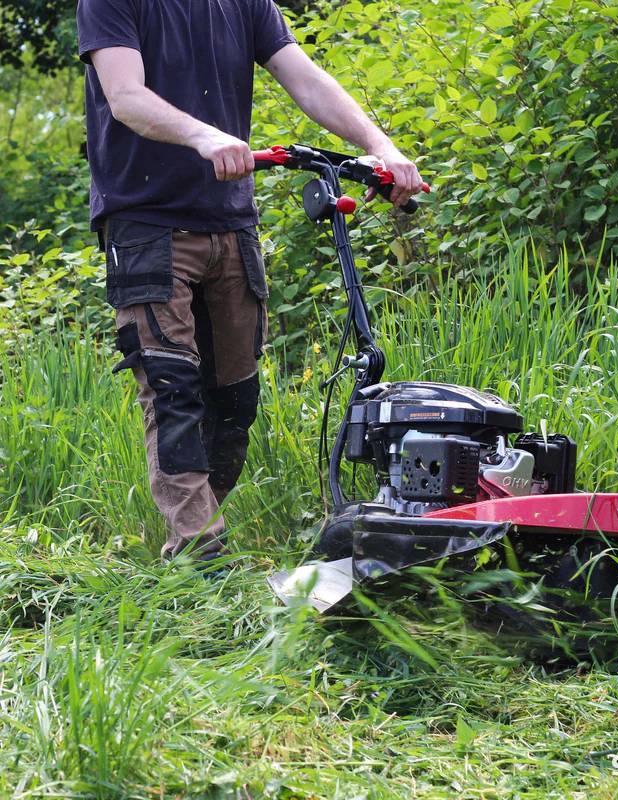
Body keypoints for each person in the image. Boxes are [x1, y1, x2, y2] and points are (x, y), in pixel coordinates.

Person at [76, 0, 424, 566]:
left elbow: (306, 80)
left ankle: (194, 544)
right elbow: (126, 97)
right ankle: (201, 547)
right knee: (172, 388)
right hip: (146, 221)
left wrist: (379, 146)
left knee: (235, 397)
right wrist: (203, 137)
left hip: (231, 222)